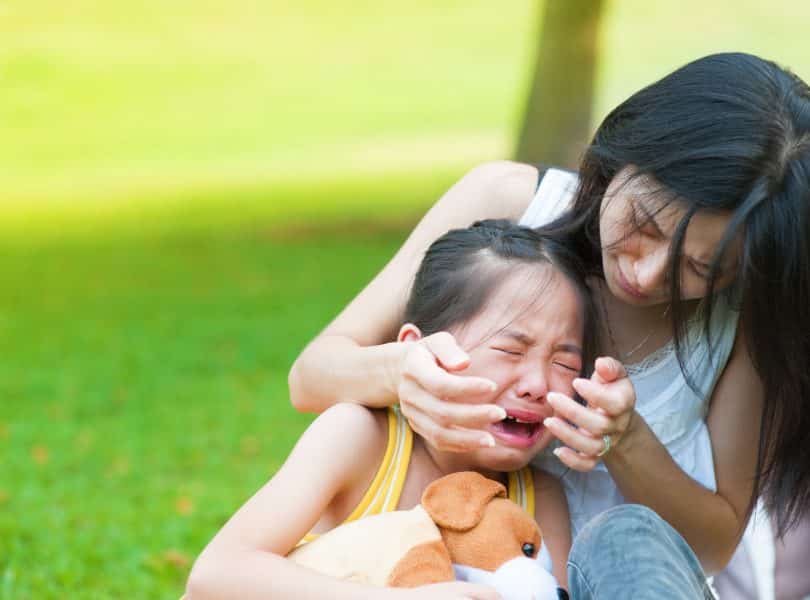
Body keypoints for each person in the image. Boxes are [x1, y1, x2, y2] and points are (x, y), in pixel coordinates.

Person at [288, 52, 810, 597]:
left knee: (623, 538)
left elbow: (713, 546)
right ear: (623, 153)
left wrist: (626, 441)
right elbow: (313, 375)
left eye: (700, 268)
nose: (646, 274)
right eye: (643, 225)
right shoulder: (509, 203)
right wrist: (404, 372)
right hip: (433, 574)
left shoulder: (739, 325)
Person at [186, 219, 601, 599]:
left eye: (564, 363)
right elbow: (216, 575)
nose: (538, 385)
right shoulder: (358, 439)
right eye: (510, 350)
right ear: (416, 353)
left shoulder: (537, 496)